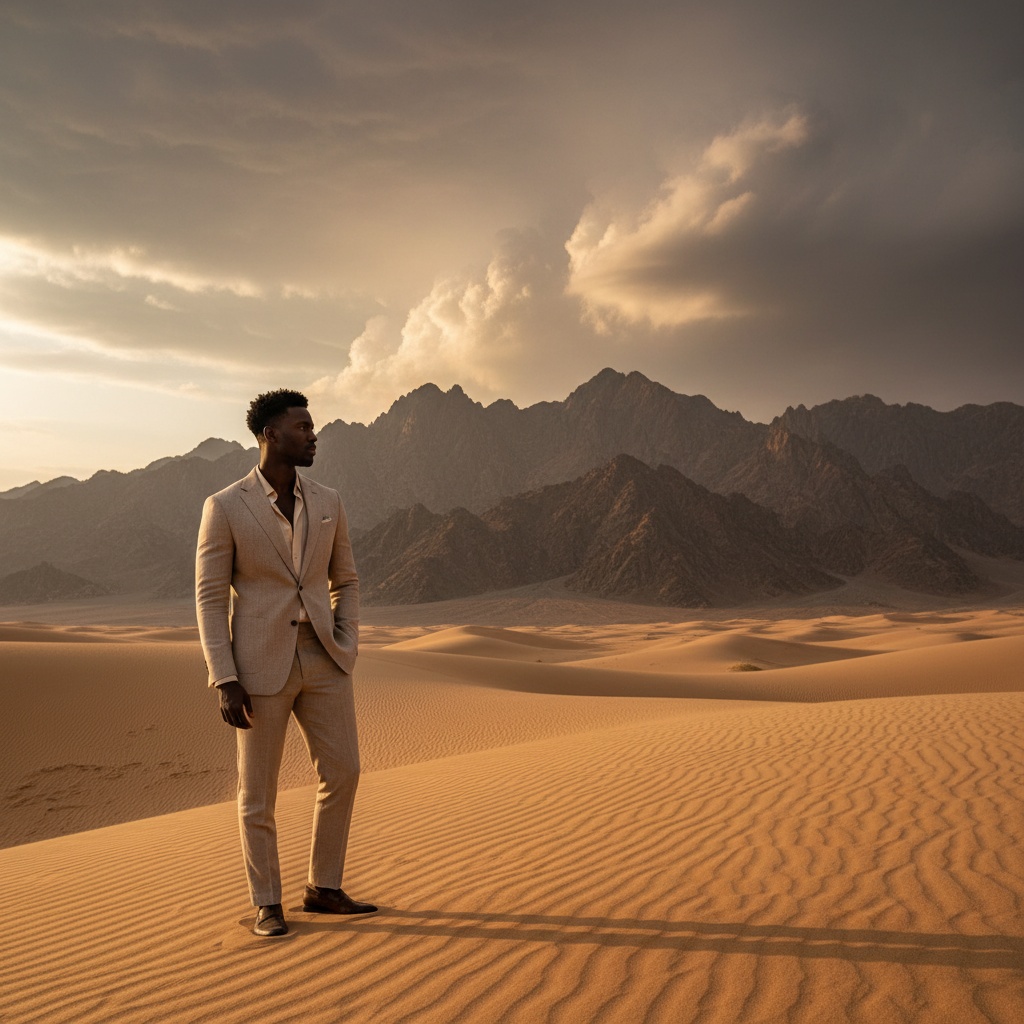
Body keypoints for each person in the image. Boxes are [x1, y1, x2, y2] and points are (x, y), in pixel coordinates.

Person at [195, 388, 375, 937]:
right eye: (303, 427)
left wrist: (346, 640)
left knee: (343, 771)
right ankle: (266, 903)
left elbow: (345, 580)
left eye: (312, 427)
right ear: (270, 434)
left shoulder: (329, 500)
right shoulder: (225, 506)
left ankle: (323, 887)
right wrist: (225, 676)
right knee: (258, 794)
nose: (313, 436)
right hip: (257, 668)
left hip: (324, 658)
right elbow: (209, 597)